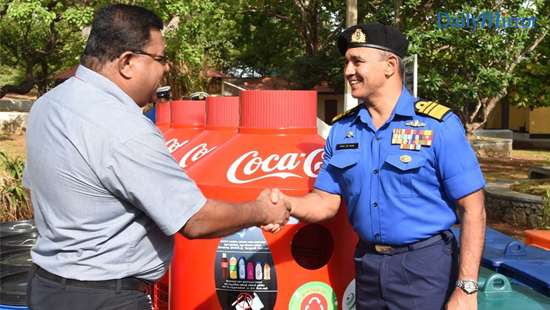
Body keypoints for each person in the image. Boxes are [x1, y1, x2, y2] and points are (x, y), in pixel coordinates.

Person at [23, 4, 289, 310]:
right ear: (127, 62)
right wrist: (261, 211)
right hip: (105, 297)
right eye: (160, 59)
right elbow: (195, 220)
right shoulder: (122, 126)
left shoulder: (48, 105)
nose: (167, 69)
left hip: (47, 287)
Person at [266, 23, 486, 310]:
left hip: (425, 267)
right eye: (346, 62)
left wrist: (466, 288)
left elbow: (474, 209)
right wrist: (287, 204)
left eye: (357, 61)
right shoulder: (343, 130)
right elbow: (325, 201)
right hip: (367, 266)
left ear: (390, 65)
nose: (347, 71)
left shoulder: (437, 126)